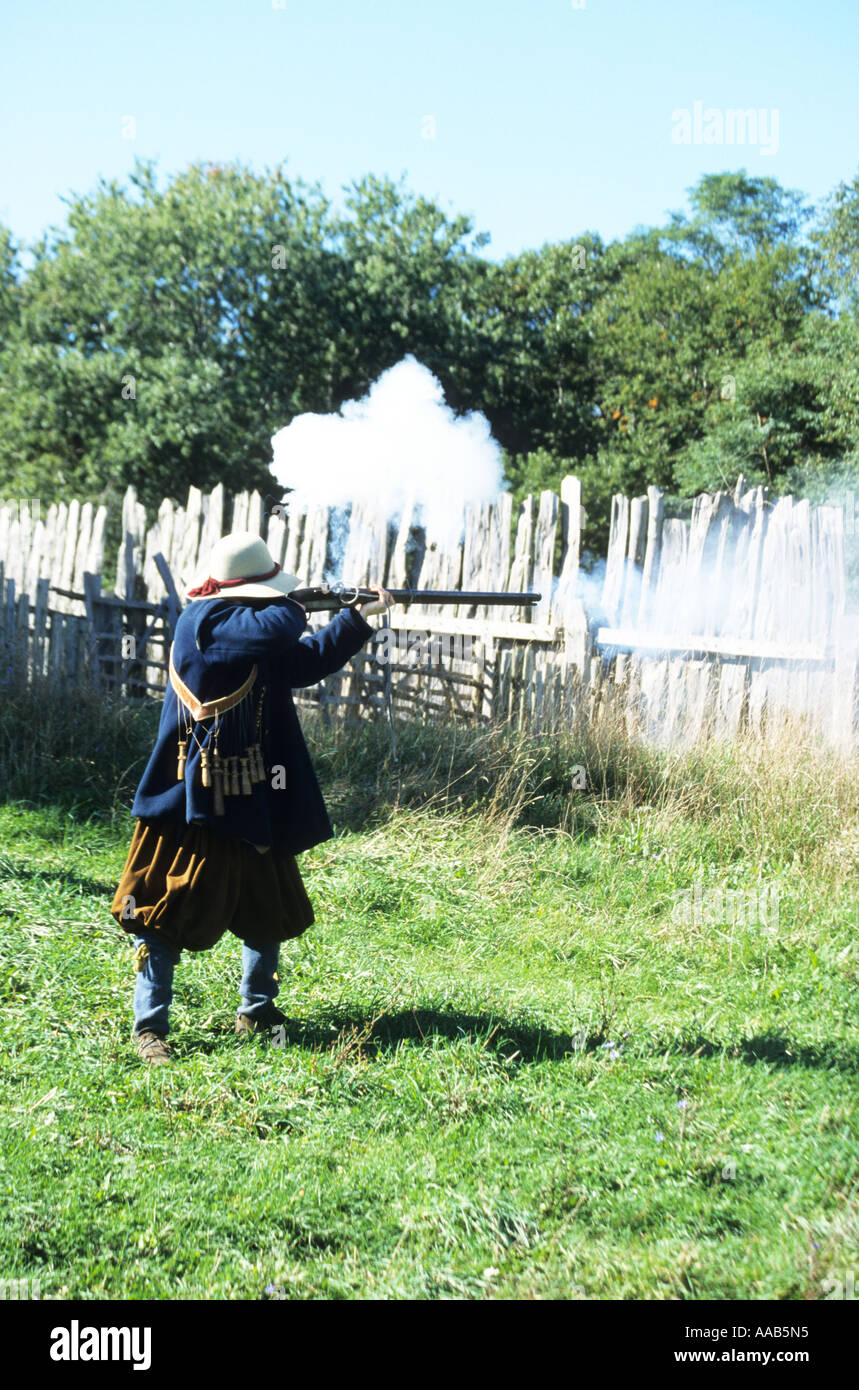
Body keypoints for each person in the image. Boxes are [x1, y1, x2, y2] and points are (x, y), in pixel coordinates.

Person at [109, 529, 394, 1064]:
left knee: (269, 908)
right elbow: (269, 633)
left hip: (254, 792)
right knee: (158, 910)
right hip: (190, 799)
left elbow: (302, 663)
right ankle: (149, 1028)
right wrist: (294, 601)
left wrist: (356, 617)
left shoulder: (253, 626)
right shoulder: (205, 621)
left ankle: (257, 1011)